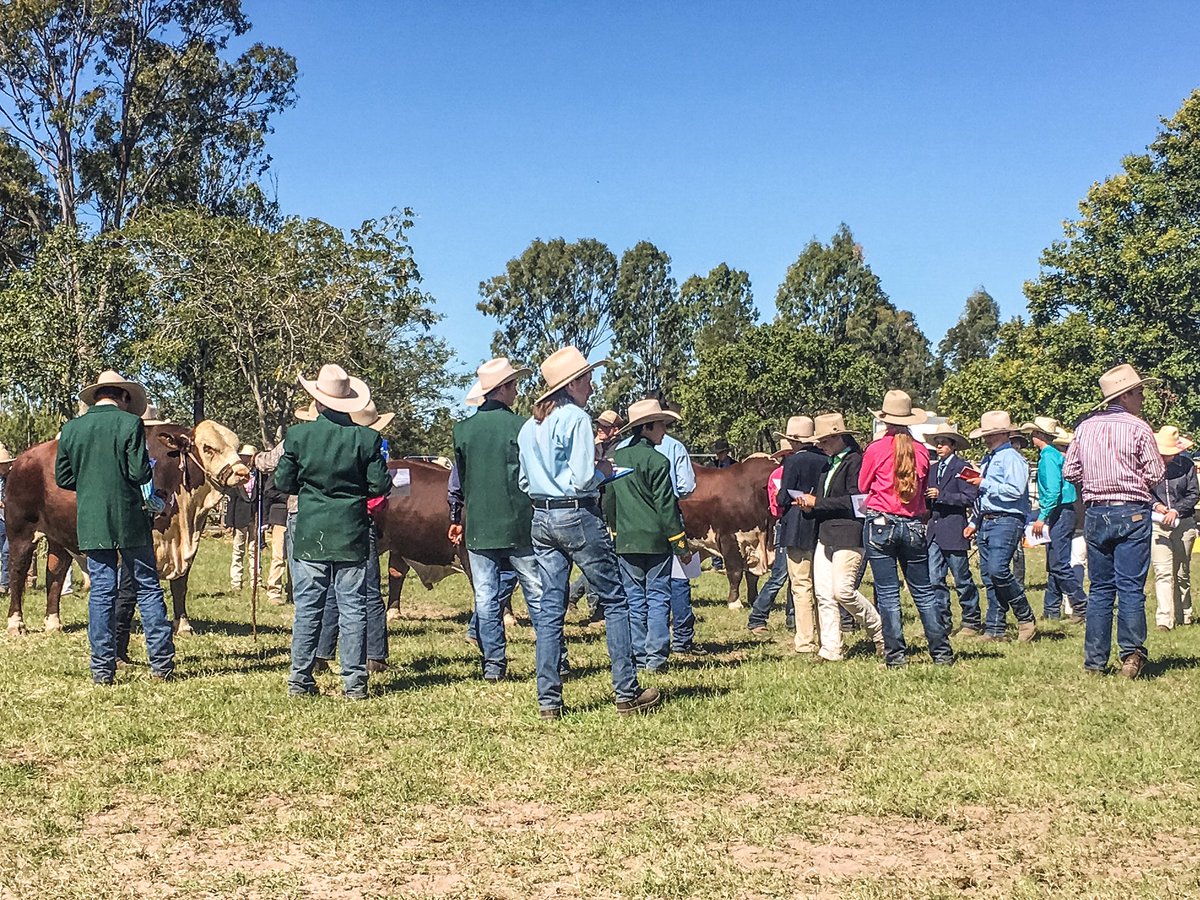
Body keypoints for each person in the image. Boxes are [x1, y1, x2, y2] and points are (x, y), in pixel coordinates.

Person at [518, 345, 659, 719]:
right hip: (576, 515)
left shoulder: (530, 426)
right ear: (574, 383)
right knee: (614, 600)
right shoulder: (577, 419)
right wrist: (604, 472)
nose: (593, 386)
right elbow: (582, 478)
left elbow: (522, 480)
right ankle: (626, 692)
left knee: (550, 607)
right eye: (588, 378)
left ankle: (549, 700)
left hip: (541, 517)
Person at [275, 364, 391, 700]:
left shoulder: (298, 436)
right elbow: (379, 485)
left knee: (309, 606)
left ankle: (299, 679)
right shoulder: (368, 439)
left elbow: (283, 482)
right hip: (352, 530)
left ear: (319, 401)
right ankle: (354, 684)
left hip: (311, 530)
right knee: (353, 606)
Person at [54, 370, 175, 684]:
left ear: (96, 396)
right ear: (122, 396)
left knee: (101, 593)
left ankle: (102, 670)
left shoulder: (72, 428)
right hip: (130, 517)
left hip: (92, 519)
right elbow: (138, 472)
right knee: (147, 587)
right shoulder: (129, 424)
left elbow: (64, 478)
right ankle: (161, 664)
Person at [1064, 364, 1165, 678]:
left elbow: (1070, 472)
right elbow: (1156, 473)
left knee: (1100, 589)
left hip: (1096, 512)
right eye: (1140, 392)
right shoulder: (1138, 428)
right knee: (1131, 588)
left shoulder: (1084, 428)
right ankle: (1132, 655)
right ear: (1127, 395)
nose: (1143, 397)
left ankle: (1094, 661)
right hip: (1131, 509)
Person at [452, 358, 542, 683]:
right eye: (514, 385)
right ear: (502, 389)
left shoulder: (462, 430)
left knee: (486, 596)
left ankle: (493, 665)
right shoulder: (523, 426)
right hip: (521, 523)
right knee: (536, 592)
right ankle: (552, 660)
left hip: (479, 526)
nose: (517, 391)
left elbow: (460, 482)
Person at [859, 390, 953, 668]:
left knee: (888, 594)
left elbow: (863, 485)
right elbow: (923, 491)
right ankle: (941, 652)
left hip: (880, 523)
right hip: (913, 524)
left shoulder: (875, 449)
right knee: (923, 592)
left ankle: (896, 656)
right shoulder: (922, 451)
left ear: (885, 419)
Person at [604, 399, 692, 673]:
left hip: (626, 539)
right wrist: (680, 543)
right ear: (646, 427)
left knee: (632, 598)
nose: (664, 431)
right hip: (656, 540)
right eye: (661, 425)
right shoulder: (658, 461)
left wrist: (616, 530)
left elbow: (609, 500)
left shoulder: (616, 457)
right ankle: (656, 657)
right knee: (657, 596)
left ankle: (639, 654)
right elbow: (667, 507)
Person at [313, 399, 396, 674]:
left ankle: (321, 653)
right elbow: (381, 489)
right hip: (362, 520)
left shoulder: (334, 443)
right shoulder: (371, 445)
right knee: (369, 588)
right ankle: (375, 655)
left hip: (329, 520)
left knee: (330, 590)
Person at [792, 413, 883, 661]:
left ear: (837, 437)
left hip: (848, 533)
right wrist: (810, 504)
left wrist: (817, 502)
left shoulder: (855, 462)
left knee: (843, 591)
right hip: (825, 532)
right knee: (823, 593)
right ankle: (831, 648)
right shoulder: (828, 465)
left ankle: (879, 629)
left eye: (824, 440)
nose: (821, 445)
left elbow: (858, 502)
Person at [962, 411, 1036, 643]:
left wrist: (984, 482)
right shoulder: (989, 459)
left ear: (1004, 433)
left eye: (991, 435)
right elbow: (984, 494)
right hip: (988, 519)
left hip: (1007, 519)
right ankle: (995, 628)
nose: (987, 439)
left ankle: (1025, 615)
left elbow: (1015, 491)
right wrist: (975, 520)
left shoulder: (1012, 458)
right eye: (987, 435)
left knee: (998, 570)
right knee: (989, 575)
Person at [1021, 417, 1087, 622]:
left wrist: (1042, 517)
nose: (1031, 437)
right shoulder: (1054, 455)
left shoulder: (1048, 457)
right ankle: (1051, 609)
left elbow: (1052, 490)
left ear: (1039, 435)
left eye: (1033, 433)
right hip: (1063, 510)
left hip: (1060, 510)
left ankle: (1081, 605)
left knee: (1058, 562)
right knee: (1056, 560)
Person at [924, 424, 983, 636]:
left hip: (954, 529)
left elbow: (969, 497)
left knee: (961, 578)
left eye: (943, 443)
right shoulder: (931, 469)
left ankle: (971, 620)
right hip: (934, 531)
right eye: (937, 443)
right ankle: (941, 622)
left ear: (953, 445)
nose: (939, 447)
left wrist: (941, 496)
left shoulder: (962, 467)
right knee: (934, 579)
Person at [776, 415, 826, 653]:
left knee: (801, 584)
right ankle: (826, 634)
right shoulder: (825, 459)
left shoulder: (793, 462)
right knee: (821, 585)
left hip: (796, 526)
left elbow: (783, 497)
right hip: (821, 525)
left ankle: (805, 639)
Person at [746, 429, 800, 635]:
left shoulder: (781, 474)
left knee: (795, 575)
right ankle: (758, 615)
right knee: (780, 575)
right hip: (784, 525)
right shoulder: (778, 476)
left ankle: (792, 617)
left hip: (788, 525)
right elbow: (776, 506)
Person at [1149, 425, 1198, 630]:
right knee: (1163, 571)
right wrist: (1156, 505)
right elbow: (1143, 491)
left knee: (1181, 572)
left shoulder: (1186, 466)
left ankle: (1184, 612)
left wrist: (1175, 510)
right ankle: (1164, 619)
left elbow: (1194, 494)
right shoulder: (1149, 466)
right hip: (1158, 524)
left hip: (1183, 523)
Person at [226, 444, 258, 590]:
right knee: (238, 549)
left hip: (255, 517)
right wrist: (229, 522)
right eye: (244, 458)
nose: (247, 461)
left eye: (249, 458)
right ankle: (236, 580)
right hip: (240, 517)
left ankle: (256, 580)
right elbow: (232, 501)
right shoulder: (237, 476)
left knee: (254, 549)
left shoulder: (259, 476)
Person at [0, 443, 12, 595]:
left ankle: (5, 584)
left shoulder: (13, 478)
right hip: (0, 519)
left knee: (7, 551)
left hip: (10, 519)